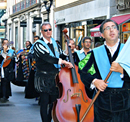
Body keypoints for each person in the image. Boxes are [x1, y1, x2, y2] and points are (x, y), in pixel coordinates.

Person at [79, 19, 130, 122]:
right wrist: (95, 81)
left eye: (114, 27)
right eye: (107, 28)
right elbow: (83, 72)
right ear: (102, 35)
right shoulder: (94, 53)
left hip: (125, 101)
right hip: (102, 101)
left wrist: (123, 71)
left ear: (118, 31)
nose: (111, 30)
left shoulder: (127, 51)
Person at [33, 22, 73, 122]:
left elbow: (59, 56)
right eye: (45, 30)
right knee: (44, 102)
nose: (48, 32)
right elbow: (48, 58)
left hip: (54, 77)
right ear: (42, 32)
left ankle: (50, 118)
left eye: (50, 29)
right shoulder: (38, 44)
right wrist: (63, 61)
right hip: (43, 77)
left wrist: (66, 52)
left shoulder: (55, 43)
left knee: (54, 101)